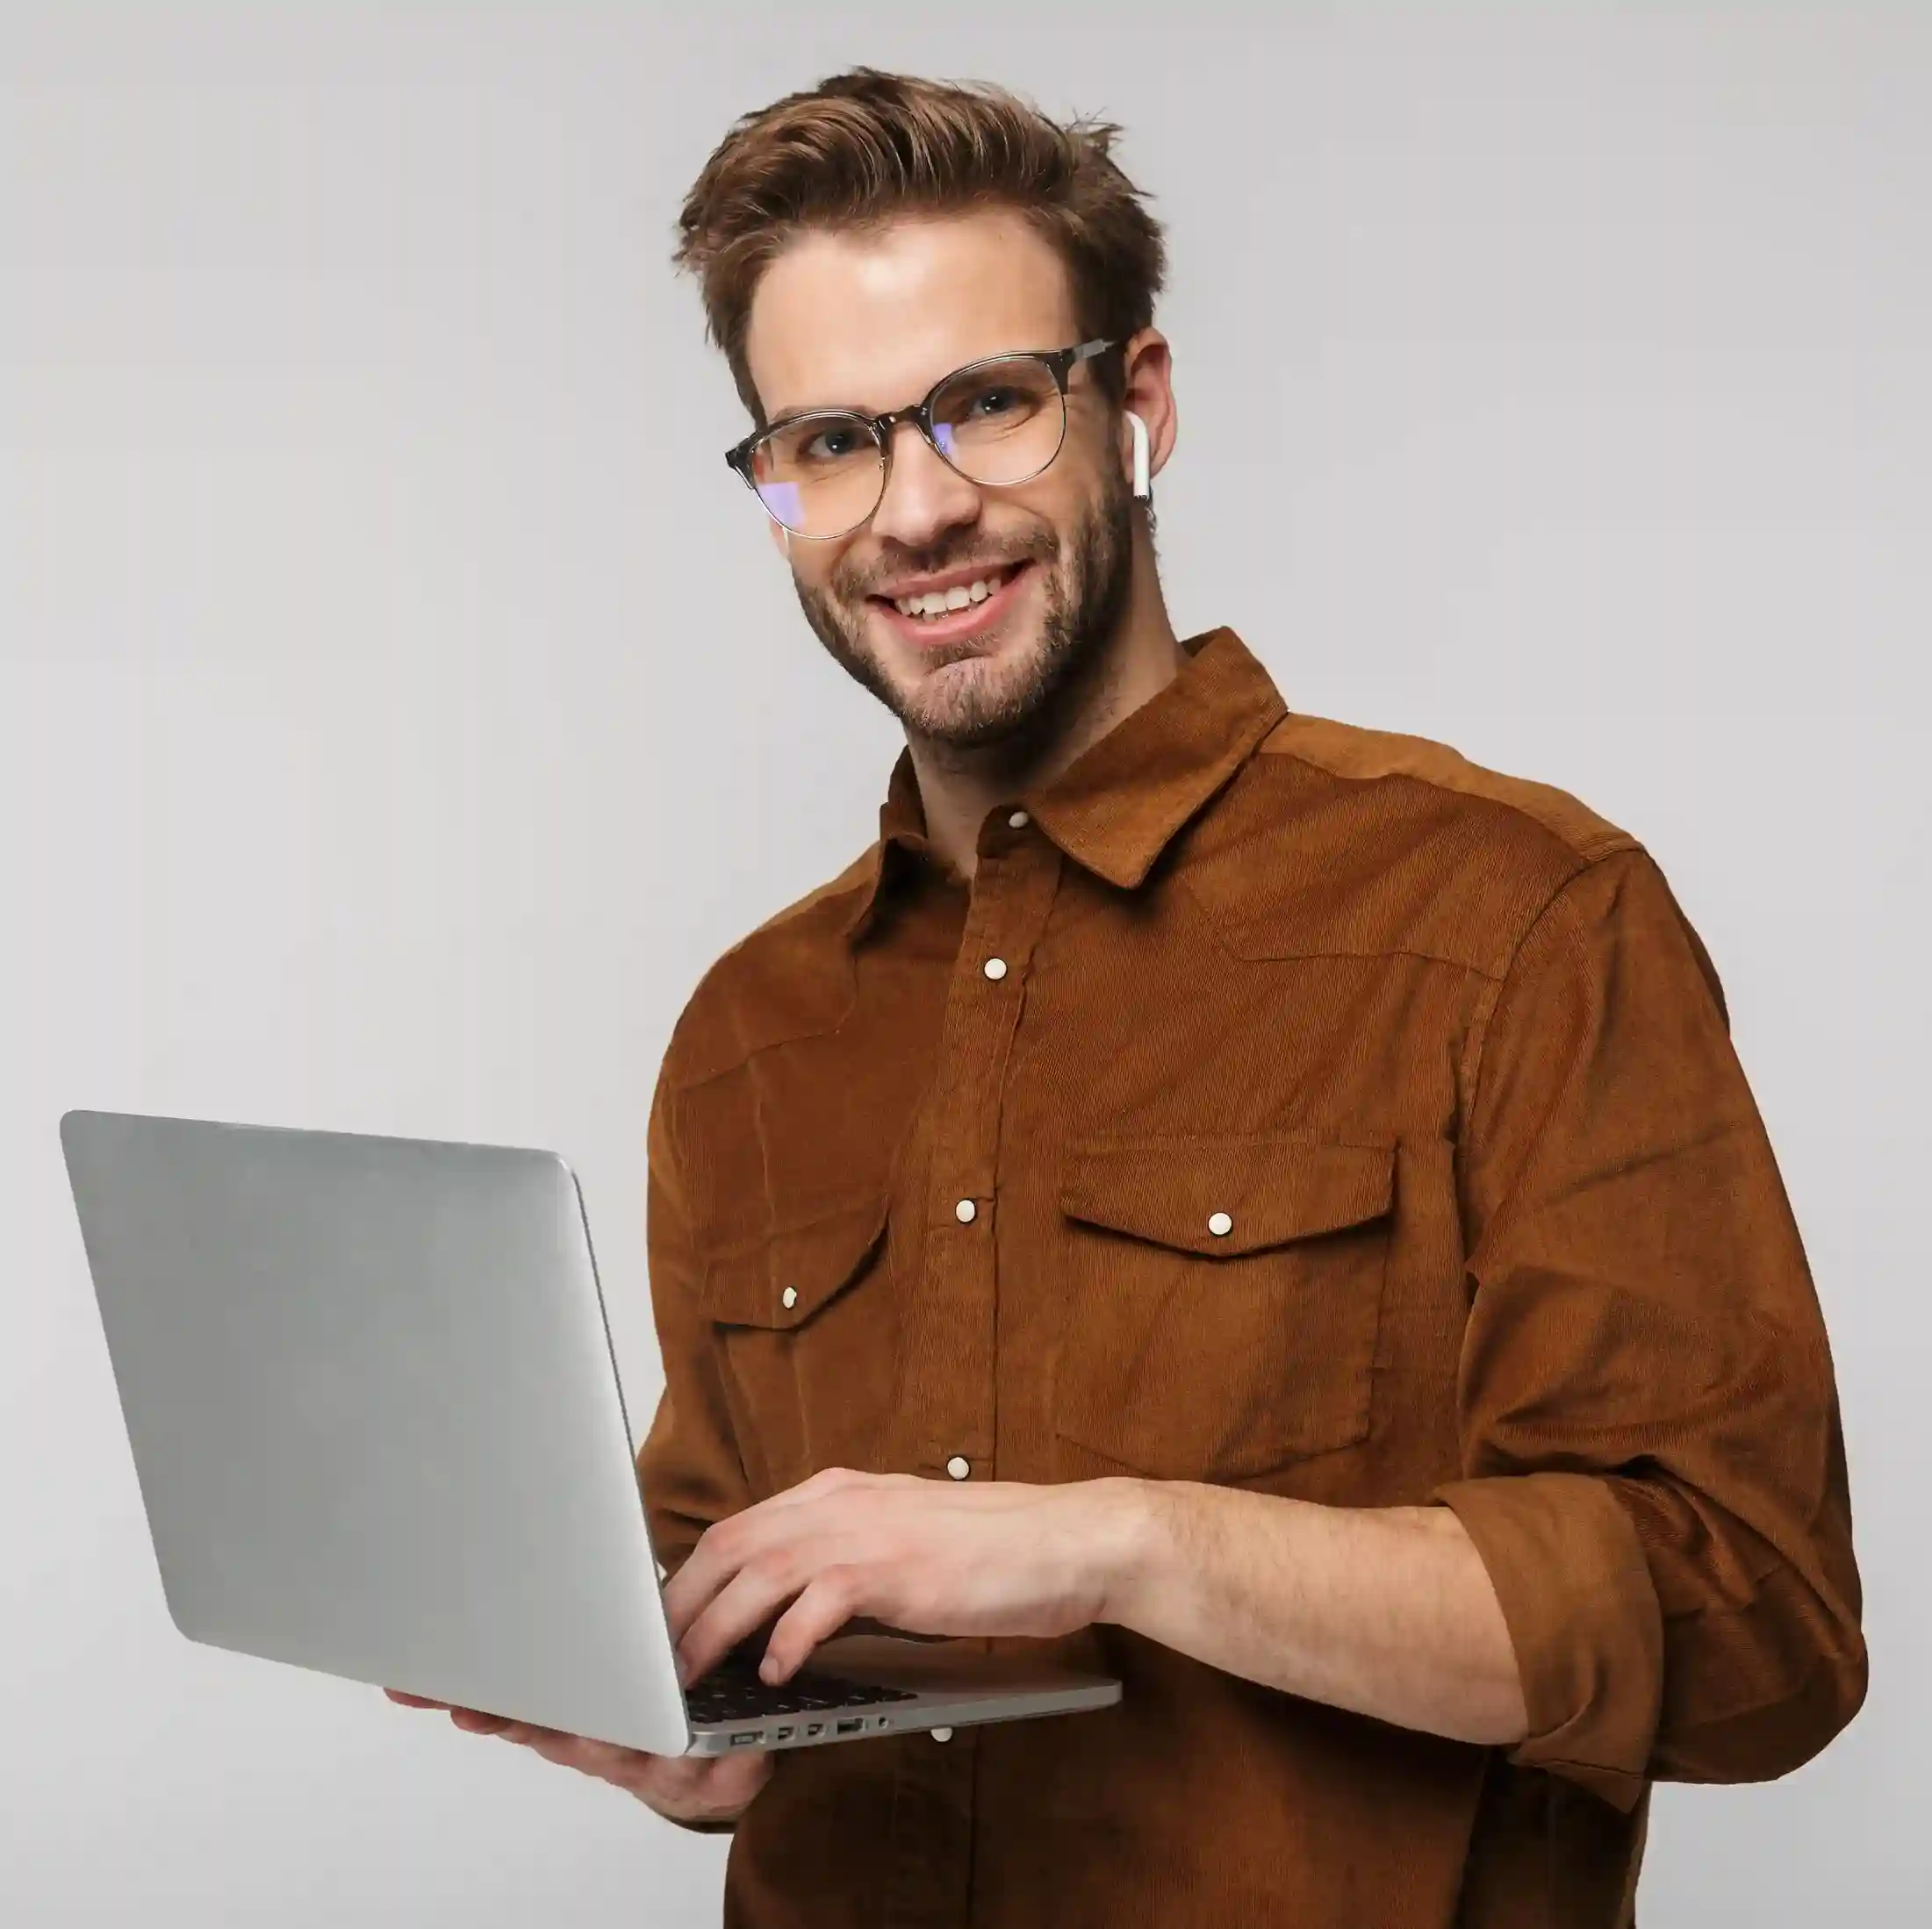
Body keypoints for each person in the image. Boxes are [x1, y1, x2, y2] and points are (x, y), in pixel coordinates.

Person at [393, 68, 1865, 1927]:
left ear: (1137, 405)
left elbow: (1747, 1628)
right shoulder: (749, 1032)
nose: (913, 510)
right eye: (828, 441)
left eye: (987, 404)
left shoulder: (1507, 916)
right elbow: (727, 1580)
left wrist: (1121, 1539)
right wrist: (700, 1727)